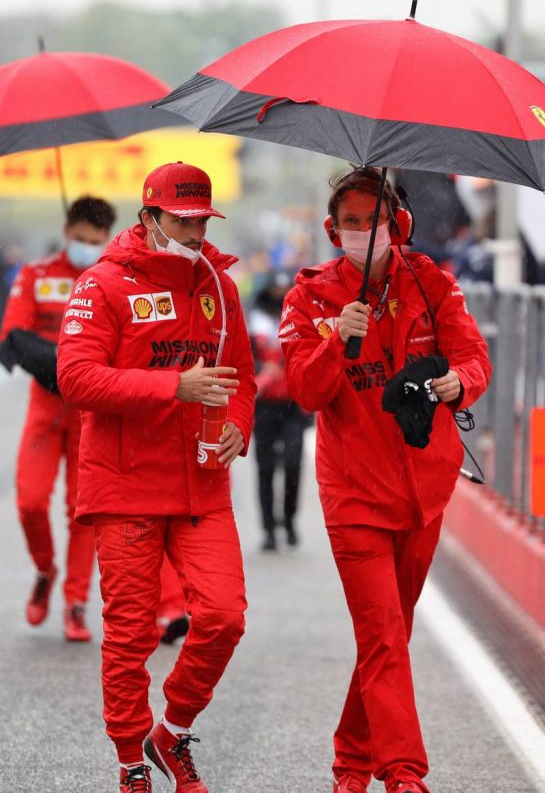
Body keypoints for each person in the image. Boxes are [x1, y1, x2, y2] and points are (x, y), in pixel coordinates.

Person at [279, 166, 491, 793]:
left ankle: (350, 762)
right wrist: (334, 341)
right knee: (383, 636)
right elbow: (307, 394)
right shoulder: (309, 299)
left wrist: (461, 383)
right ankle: (403, 774)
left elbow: (474, 355)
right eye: (349, 223)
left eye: (371, 221)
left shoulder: (432, 284)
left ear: (397, 224)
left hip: (427, 490)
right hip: (355, 495)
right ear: (331, 229)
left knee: (385, 640)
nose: (360, 233)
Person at [57, 161, 256, 793]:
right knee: (131, 633)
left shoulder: (220, 287)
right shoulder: (102, 285)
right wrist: (174, 386)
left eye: (203, 221)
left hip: (202, 483)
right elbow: (77, 379)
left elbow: (243, 377)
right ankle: (130, 760)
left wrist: (239, 428)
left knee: (224, 618)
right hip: (125, 487)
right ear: (150, 218)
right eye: (183, 220)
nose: (195, 233)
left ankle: (170, 732)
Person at [0, 197, 116, 641]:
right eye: (81, 239)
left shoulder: (111, 277)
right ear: (67, 230)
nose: (88, 247)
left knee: (82, 512)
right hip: (46, 407)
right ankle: (45, 569)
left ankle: (76, 602)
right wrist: (67, 365)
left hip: (92, 412)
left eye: (96, 241)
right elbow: (14, 333)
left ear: (105, 239)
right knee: (29, 501)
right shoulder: (37, 274)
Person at [248, 269, 310, 549]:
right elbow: (243, 362)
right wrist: (264, 369)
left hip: (294, 404)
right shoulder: (253, 322)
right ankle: (269, 529)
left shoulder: (300, 319)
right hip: (263, 407)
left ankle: (289, 519)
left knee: (294, 463)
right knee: (265, 467)